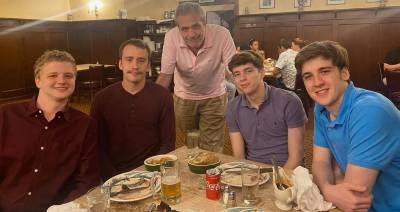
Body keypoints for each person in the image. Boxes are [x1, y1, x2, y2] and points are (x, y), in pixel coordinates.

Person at [295, 40, 400, 212]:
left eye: (325, 71)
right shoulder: (321, 108)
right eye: (308, 76)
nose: (317, 82)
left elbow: (353, 197)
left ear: (344, 73)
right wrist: (330, 189)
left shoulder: (369, 110)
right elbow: (320, 162)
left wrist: (326, 186)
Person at [0, 50, 100, 211]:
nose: (61, 81)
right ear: (38, 80)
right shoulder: (5, 116)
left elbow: (87, 180)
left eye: (68, 76)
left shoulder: (85, 125)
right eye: (53, 75)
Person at [90, 39, 175, 181]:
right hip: (114, 176)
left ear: (148, 66)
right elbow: (98, 148)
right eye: (129, 60)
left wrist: (151, 174)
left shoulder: (162, 96)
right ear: (120, 64)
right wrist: (115, 179)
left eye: (141, 60)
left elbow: (168, 144)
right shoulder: (101, 99)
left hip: (153, 173)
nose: (135, 66)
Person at [156, 2, 236, 152]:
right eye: (184, 29)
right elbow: (165, 76)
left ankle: (211, 175)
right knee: (190, 145)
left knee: (211, 148)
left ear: (204, 22)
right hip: (183, 98)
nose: (191, 34)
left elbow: (234, 71)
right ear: (178, 28)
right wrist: (149, 104)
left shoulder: (222, 34)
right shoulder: (171, 37)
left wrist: (253, 99)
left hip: (214, 97)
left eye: (196, 26)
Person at [226, 51, 307, 169]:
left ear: (261, 73)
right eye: (237, 74)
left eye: (248, 71)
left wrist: (278, 182)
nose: (242, 78)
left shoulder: (289, 101)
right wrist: (246, 176)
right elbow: (239, 155)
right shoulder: (233, 107)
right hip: (253, 171)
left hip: (288, 171)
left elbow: (296, 157)